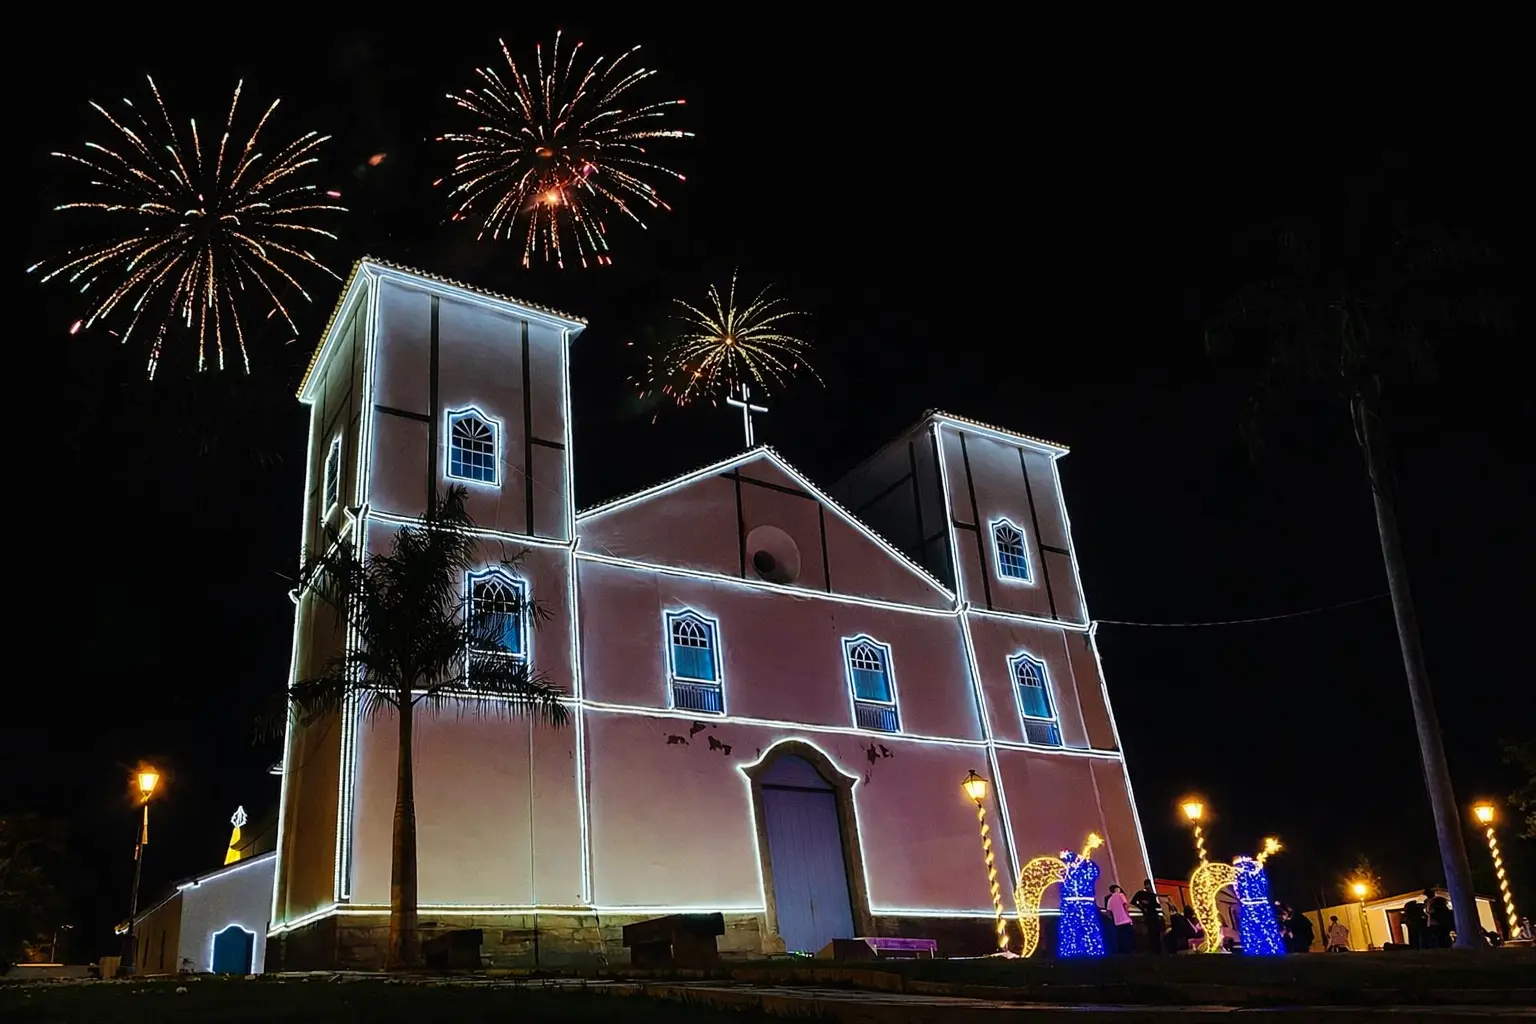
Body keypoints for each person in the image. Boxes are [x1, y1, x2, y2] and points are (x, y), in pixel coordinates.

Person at [1131, 879, 1165, 954]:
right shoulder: (1141, 893)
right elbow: (1133, 901)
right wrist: (1142, 906)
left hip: (1152, 915)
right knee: (1152, 932)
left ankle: (1156, 949)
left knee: (1155, 932)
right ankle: (1154, 949)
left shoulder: (1151, 894)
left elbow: (1155, 904)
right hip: (1149, 915)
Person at [1106, 885, 1135, 954]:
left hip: (1117, 922)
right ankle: (1129, 952)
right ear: (1116, 889)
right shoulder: (1121, 895)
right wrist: (1128, 916)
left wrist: (1113, 919)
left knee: (1121, 938)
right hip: (1126, 920)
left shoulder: (1110, 899)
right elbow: (1125, 905)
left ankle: (1122, 952)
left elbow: (1108, 911)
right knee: (1128, 937)